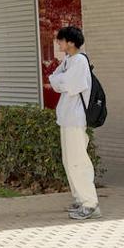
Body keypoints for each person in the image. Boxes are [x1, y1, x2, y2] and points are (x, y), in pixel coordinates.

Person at [48, 25, 100, 220]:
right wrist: (59, 80)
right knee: (69, 161)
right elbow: (53, 79)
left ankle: (90, 203)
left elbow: (68, 85)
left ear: (70, 42)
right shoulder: (69, 60)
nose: (58, 43)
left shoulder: (79, 60)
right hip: (67, 118)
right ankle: (80, 198)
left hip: (76, 119)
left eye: (61, 40)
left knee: (78, 161)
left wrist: (59, 81)